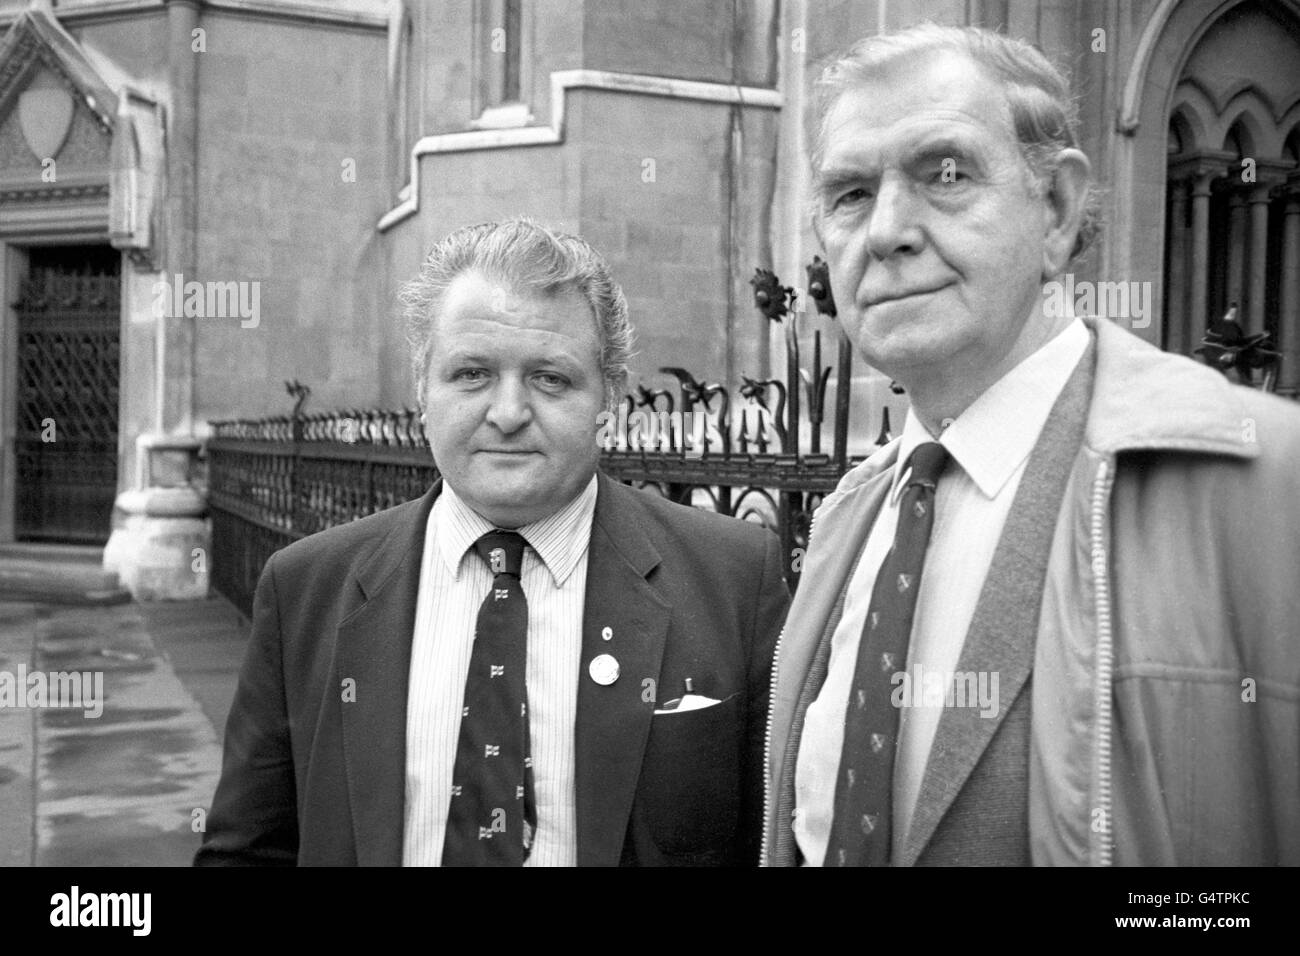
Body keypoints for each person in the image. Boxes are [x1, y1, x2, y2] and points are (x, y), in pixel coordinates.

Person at [763, 23, 1300, 866]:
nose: (887, 231)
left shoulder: (1268, 483)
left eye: (946, 174)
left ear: (1054, 210)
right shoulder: (849, 519)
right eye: (850, 194)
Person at [196, 218, 788, 866]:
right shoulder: (305, 590)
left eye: (550, 378)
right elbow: (248, 852)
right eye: (472, 374)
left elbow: (774, 841)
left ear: (609, 398)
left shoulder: (733, 579)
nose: (507, 413)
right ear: (423, 388)